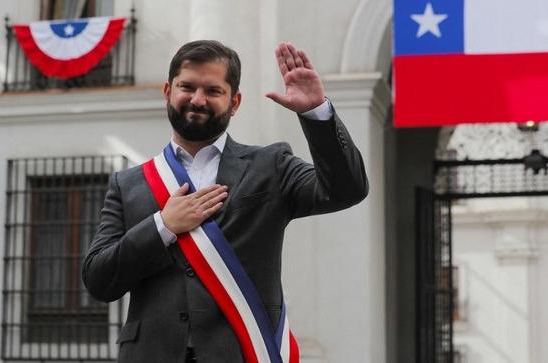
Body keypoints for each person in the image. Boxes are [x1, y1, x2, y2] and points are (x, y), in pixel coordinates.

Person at [83, 40, 368, 363]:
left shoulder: (271, 166)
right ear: (168, 91)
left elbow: (347, 190)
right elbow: (98, 280)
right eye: (186, 87)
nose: (197, 99)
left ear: (234, 102)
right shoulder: (129, 184)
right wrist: (163, 226)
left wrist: (316, 113)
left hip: (242, 353)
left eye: (213, 91)